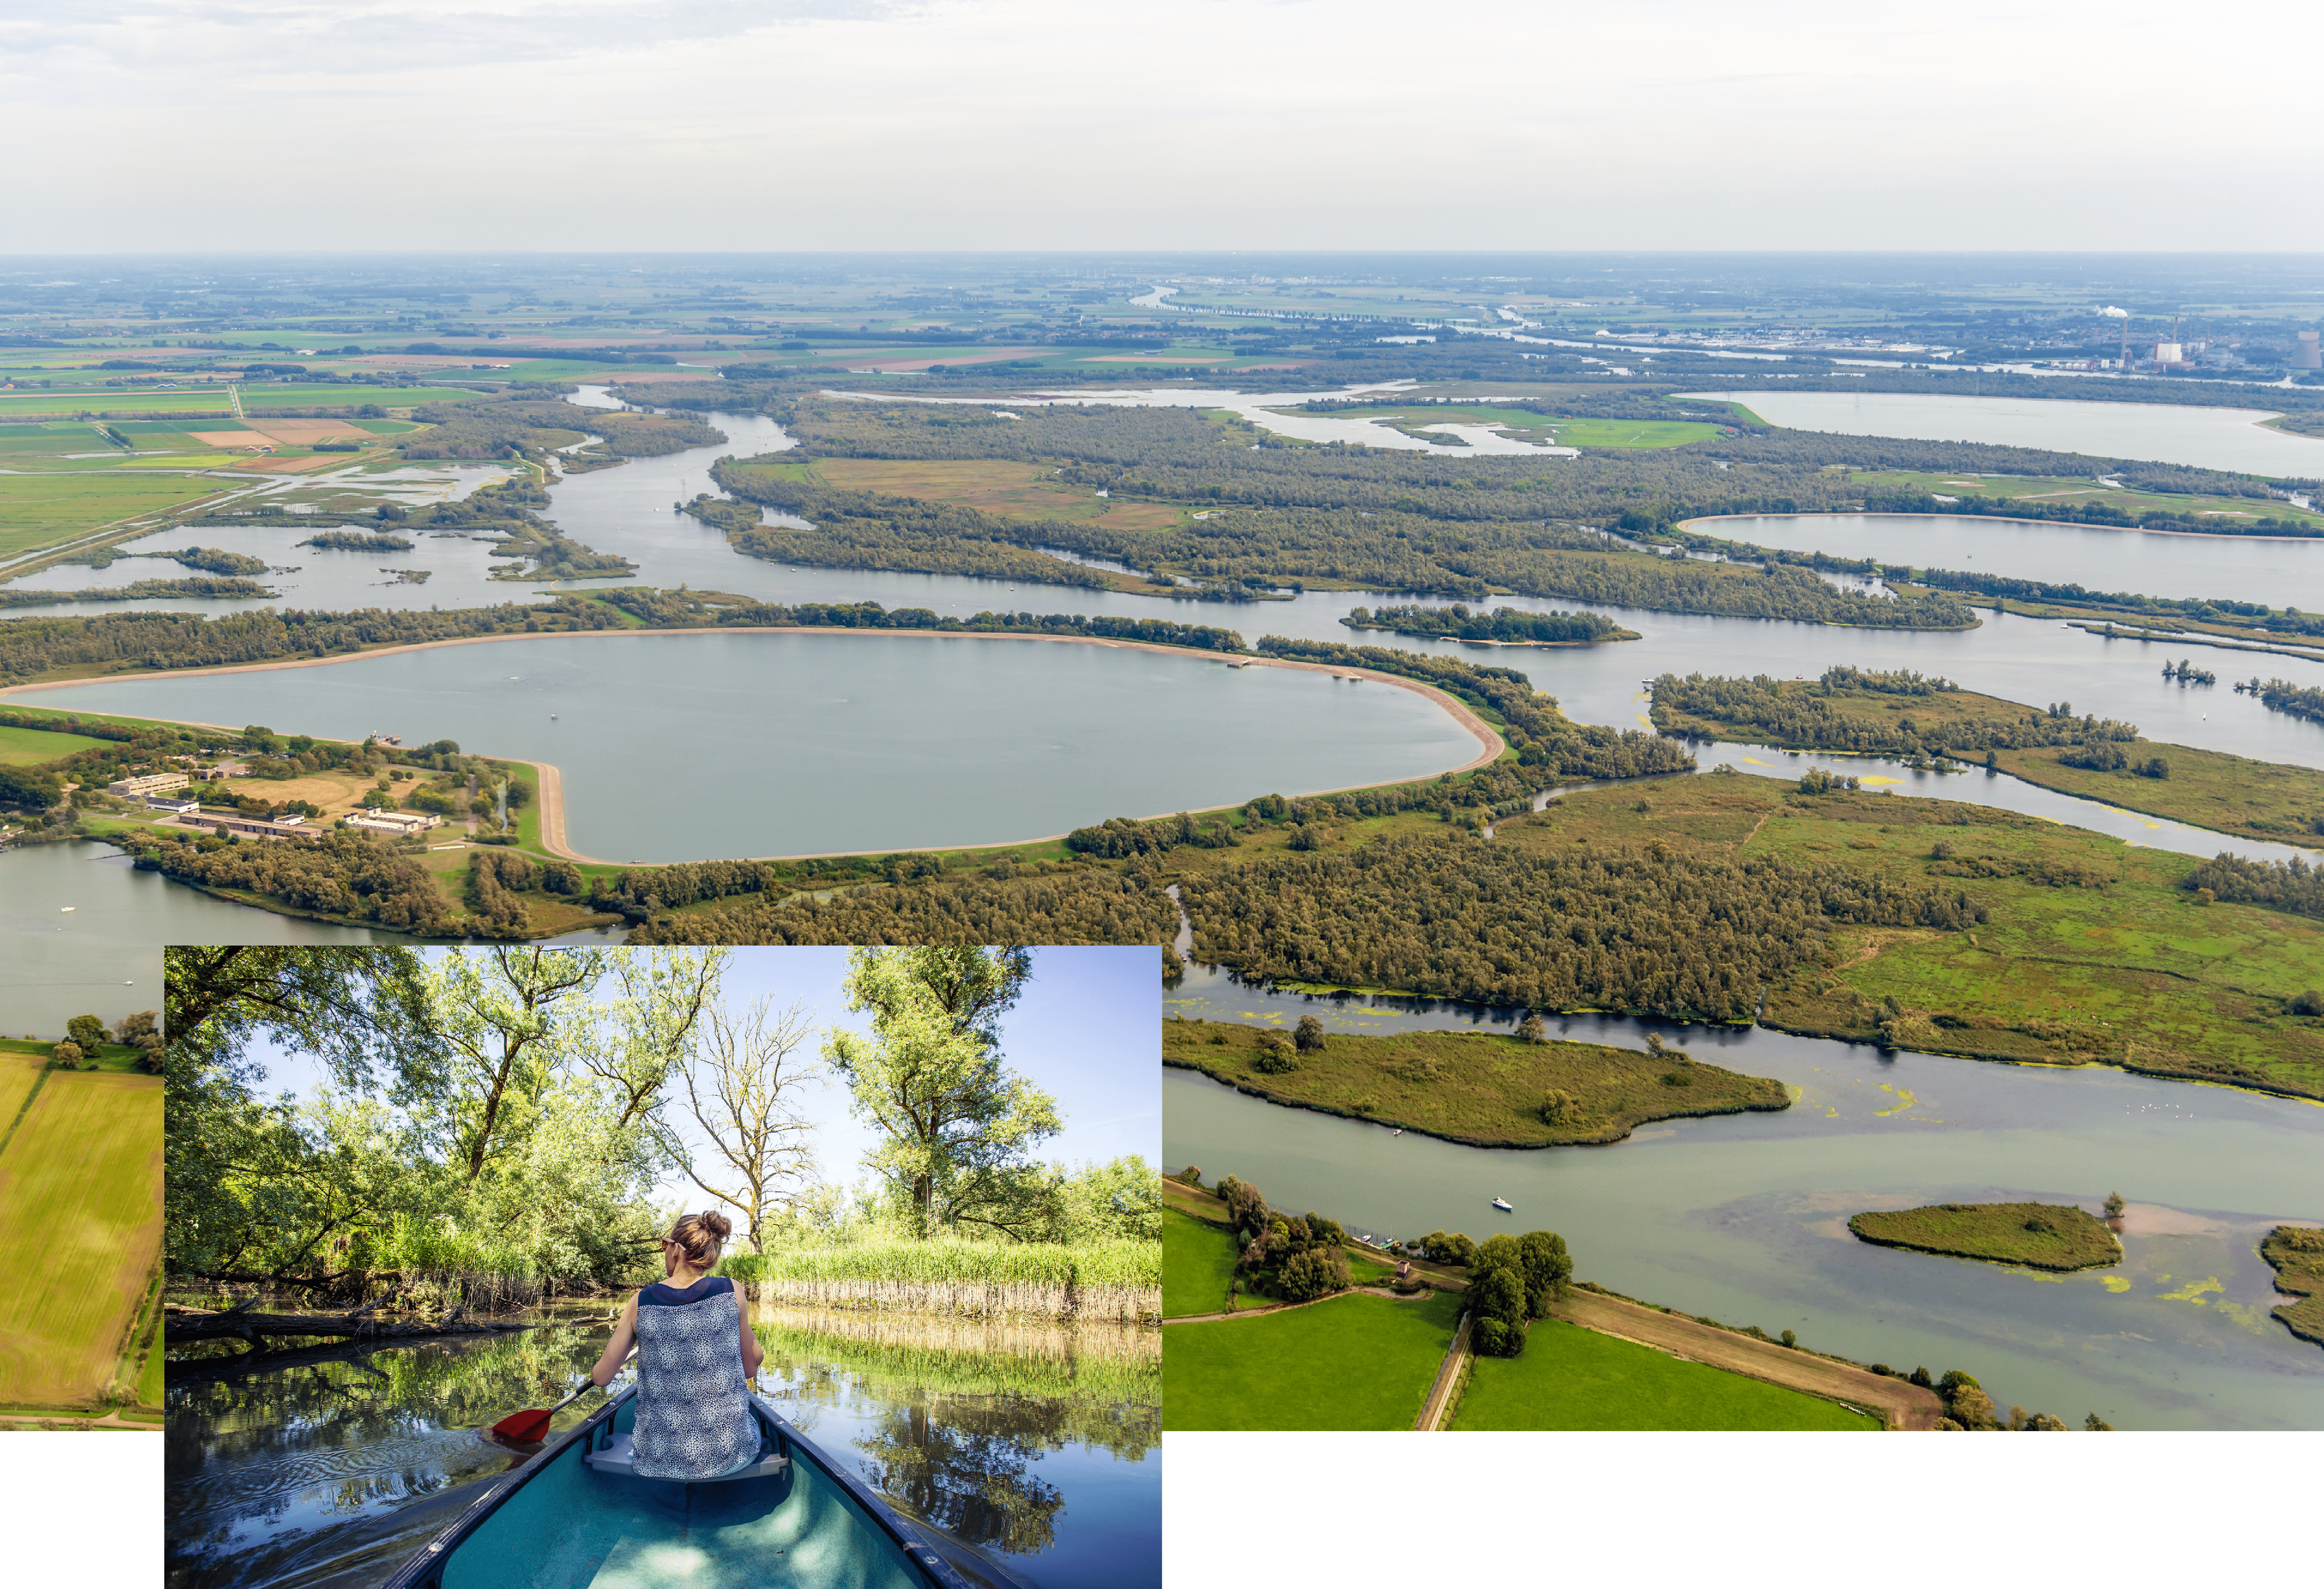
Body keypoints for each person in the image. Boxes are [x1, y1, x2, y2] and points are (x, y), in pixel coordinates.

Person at [587, 1210, 766, 1480]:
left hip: (657, 1460)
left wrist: (616, 1364)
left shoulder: (640, 1302)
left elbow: (601, 1377)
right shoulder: (733, 1291)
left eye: (664, 1245)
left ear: (676, 1250)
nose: (664, 1252)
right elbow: (751, 1367)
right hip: (732, 1454)